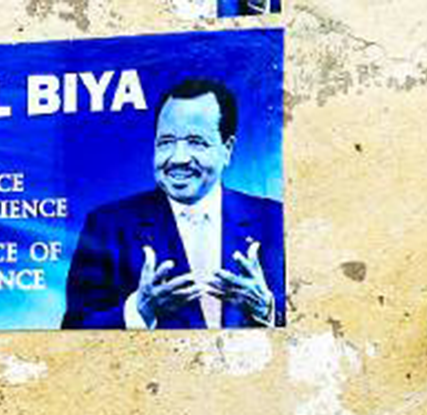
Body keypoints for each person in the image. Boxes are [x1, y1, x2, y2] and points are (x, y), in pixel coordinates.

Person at [61, 78, 285, 330]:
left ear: (227, 149)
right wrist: (139, 311)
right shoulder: (107, 225)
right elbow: (74, 330)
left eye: (196, 141)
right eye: (166, 141)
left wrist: (267, 309)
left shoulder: (275, 220)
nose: (178, 158)